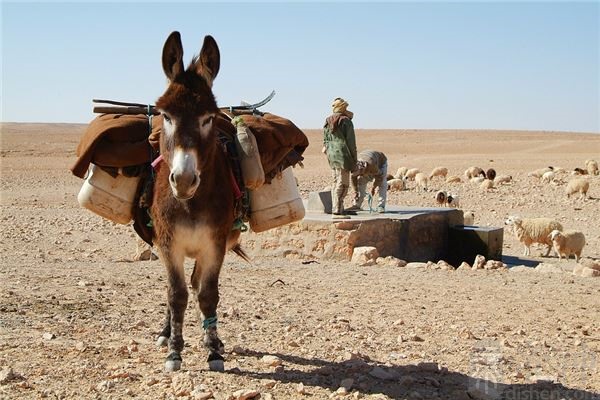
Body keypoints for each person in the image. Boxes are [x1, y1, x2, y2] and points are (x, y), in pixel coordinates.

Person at [322, 98, 357, 216]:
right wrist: (354, 160)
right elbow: (351, 142)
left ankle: (337, 207)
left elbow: (325, 139)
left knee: (335, 181)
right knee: (343, 183)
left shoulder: (328, 120)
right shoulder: (345, 121)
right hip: (343, 155)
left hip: (331, 154)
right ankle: (337, 208)